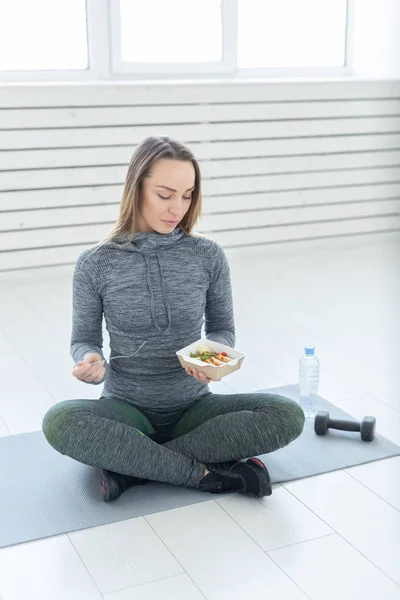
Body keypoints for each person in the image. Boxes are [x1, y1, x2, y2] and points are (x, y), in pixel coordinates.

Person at [42, 136, 304, 502]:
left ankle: (135, 466)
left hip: (194, 407)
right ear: (137, 188)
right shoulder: (95, 263)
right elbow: (83, 339)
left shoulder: (208, 255)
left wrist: (213, 356)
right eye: (165, 195)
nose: (177, 208)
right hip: (126, 409)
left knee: (286, 414)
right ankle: (207, 475)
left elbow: (222, 329)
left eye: (187, 195)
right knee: (58, 421)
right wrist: (88, 361)